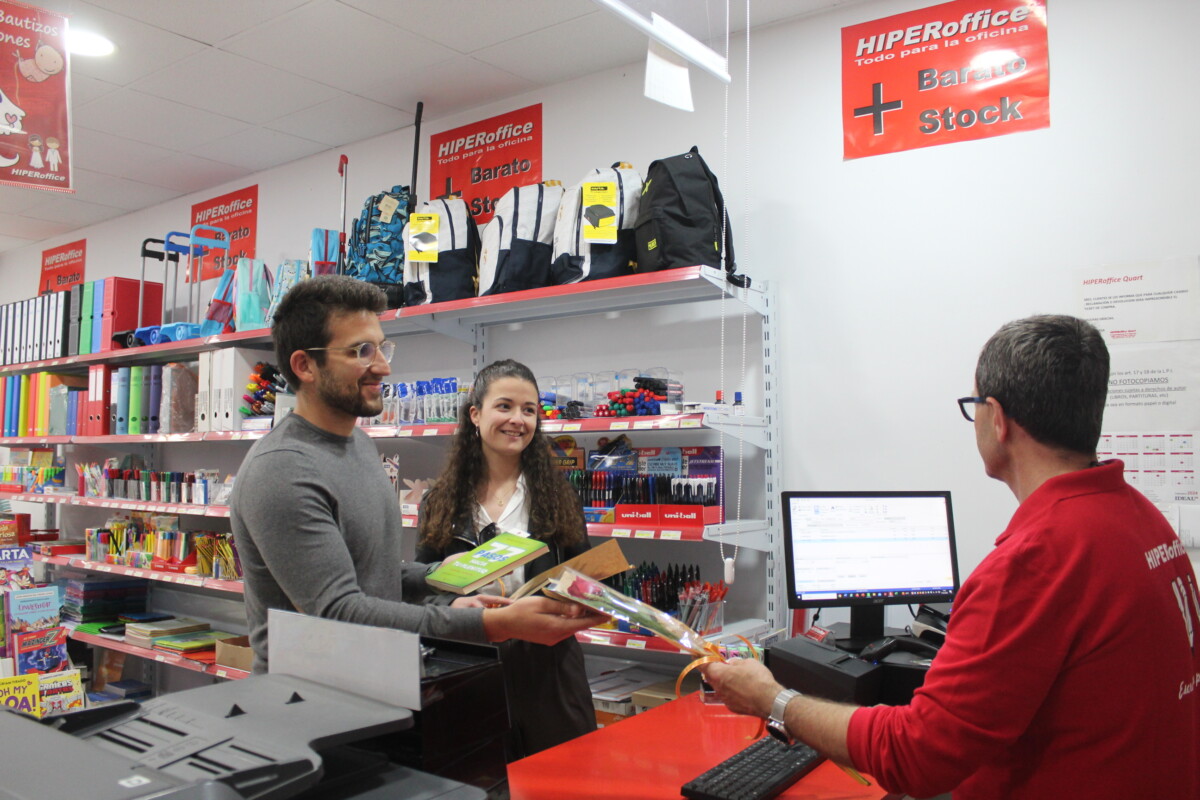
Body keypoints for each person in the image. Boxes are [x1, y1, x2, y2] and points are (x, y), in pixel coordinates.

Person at [703, 314, 1200, 799]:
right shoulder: (1139, 517)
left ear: (998, 419)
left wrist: (774, 700)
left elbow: (916, 757)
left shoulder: (1037, 560)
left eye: (975, 405)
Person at [230, 276, 606, 673]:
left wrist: (435, 575)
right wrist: (489, 624)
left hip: (377, 683)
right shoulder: (283, 469)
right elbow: (337, 609)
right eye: (361, 351)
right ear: (305, 365)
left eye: (381, 347)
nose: (383, 366)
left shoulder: (356, 443)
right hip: (309, 700)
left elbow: (369, 571)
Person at [416, 359, 596, 759]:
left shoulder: (558, 495)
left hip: (550, 676)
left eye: (529, 410)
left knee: (560, 782)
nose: (518, 420)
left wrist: (577, 599)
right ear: (475, 414)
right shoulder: (439, 501)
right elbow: (421, 590)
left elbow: (587, 578)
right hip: (470, 671)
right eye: (505, 406)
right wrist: (456, 605)